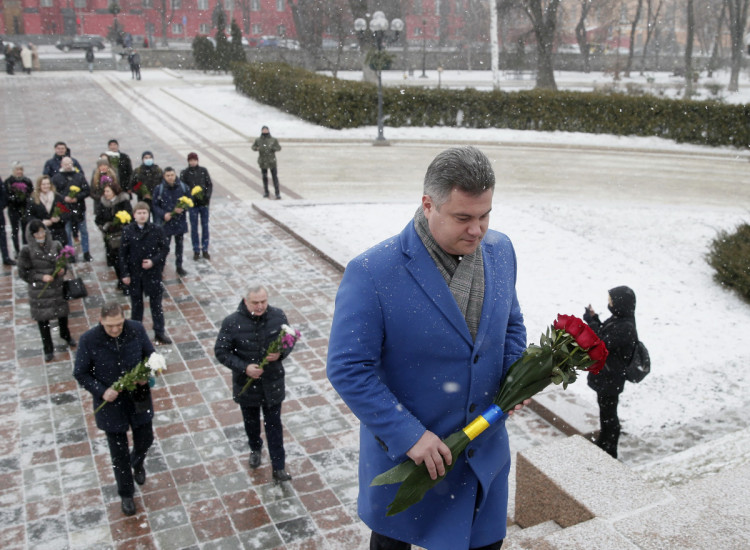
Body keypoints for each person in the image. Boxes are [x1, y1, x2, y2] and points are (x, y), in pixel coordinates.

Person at [326, 146, 528, 550]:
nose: (478, 230)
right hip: (410, 464)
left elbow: (511, 326)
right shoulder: (371, 272)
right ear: (428, 204)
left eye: (485, 215)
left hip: (483, 461)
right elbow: (349, 368)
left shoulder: (501, 251)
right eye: (463, 218)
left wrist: (514, 377)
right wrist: (408, 435)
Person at [73, 301, 155, 517]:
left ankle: (137, 462)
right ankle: (126, 493)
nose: (115, 329)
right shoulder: (88, 340)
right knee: (118, 453)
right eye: (110, 326)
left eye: (119, 324)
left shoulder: (136, 329)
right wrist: (101, 391)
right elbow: (80, 373)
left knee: (146, 438)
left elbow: (151, 356)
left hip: (138, 398)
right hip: (111, 404)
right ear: (101, 321)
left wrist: (145, 374)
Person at [214, 284, 296, 482]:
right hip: (247, 385)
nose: (260, 306)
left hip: (272, 383)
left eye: (263, 302)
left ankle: (278, 467)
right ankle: (255, 448)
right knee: (251, 422)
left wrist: (281, 353)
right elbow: (221, 352)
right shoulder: (232, 322)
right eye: (255, 303)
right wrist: (245, 367)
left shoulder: (278, 316)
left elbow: (289, 340)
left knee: (274, 426)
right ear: (245, 301)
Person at [584, 286, 639, 460]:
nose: (609, 304)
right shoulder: (620, 319)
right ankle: (604, 442)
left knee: (609, 414)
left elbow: (600, 342)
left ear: (620, 304)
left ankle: (610, 450)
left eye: (612, 301)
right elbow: (604, 334)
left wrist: (591, 322)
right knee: (605, 411)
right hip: (607, 376)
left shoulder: (626, 326)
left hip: (611, 378)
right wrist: (594, 319)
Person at [17, 220, 76, 362]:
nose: (41, 235)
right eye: (37, 233)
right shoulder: (27, 250)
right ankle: (48, 348)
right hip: (40, 292)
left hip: (56, 287)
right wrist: (40, 277)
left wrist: (62, 270)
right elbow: (24, 272)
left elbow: (64, 262)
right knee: (43, 321)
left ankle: (65, 334)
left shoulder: (55, 245)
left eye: (42, 231)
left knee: (62, 314)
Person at [119, 202, 171, 345]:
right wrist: (125, 274)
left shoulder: (156, 229)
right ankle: (136, 333)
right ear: (134, 215)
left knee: (156, 305)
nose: (142, 216)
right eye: (139, 213)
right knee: (136, 306)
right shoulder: (128, 231)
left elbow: (164, 249)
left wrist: (153, 261)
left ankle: (159, 332)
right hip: (135, 274)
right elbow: (122, 254)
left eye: (145, 213)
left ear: (148, 215)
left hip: (152, 273)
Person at [95, 180, 132, 294]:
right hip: (110, 237)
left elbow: (129, 216)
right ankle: (120, 280)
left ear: (114, 192)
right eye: (105, 191)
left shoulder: (123, 201)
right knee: (115, 260)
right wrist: (105, 226)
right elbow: (98, 219)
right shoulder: (102, 203)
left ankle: (127, 282)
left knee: (124, 259)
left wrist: (120, 223)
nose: (105, 193)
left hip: (122, 235)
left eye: (108, 191)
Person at [52, 157, 92, 262]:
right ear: (61, 165)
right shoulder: (56, 178)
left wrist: (76, 197)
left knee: (83, 231)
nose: (68, 165)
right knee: (67, 231)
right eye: (65, 164)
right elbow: (54, 193)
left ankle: (86, 252)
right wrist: (64, 198)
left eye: (69, 163)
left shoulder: (79, 176)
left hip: (78, 208)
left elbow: (87, 190)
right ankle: (70, 254)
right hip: (65, 209)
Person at [151, 167, 189, 277]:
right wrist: (164, 214)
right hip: (166, 223)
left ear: (175, 175)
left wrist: (183, 208)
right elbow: (155, 205)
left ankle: (179, 266)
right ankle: (161, 266)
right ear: (164, 176)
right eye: (167, 175)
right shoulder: (159, 189)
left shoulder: (182, 187)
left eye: (172, 175)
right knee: (164, 246)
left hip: (179, 221)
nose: (170, 177)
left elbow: (189, 200)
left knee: (179, 245)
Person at [179, 152, 213, 261]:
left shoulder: (203, 171)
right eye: (191, 160)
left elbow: (209, 184)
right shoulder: (185, 173)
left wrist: (206, 197)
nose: (193, 162)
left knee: (205, 226)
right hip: (193, 205)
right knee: (194, 228)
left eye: (194, 160)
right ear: (188, 161)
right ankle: (196, 250)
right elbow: (183, 188)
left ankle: (205, 248)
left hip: (203, 203)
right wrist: (189, 199)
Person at [26, 174, 69, 247]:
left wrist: (59, 218)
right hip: (41, 234)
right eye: (43, 184)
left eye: (48, 184)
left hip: (58, 232)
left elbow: (67, 212)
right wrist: (40, 223)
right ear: (39, 185)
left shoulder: (57, 197)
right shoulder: (33, 199)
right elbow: (29, 216)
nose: (46, 186)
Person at [4, 161, 33, 258]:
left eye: (21, 169)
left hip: (24, 208)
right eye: (17, 169)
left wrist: (25, 198)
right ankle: (17, 250)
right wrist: (14, 198)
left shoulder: (26, 181)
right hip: (13, 209)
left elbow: (31, 193)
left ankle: (26, 248)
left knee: (25, 229)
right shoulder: (8, 182)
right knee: (15, 230)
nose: (19, 172)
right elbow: (6, 196)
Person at [251, 126, 282, 199]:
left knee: (274, 177)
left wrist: (273, 148)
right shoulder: (259, 140)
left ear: (268, 130)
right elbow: (253, 147)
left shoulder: (273, 140)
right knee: (264, 177)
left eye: (266, 130)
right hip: (263, 161)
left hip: (272, 161)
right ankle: (266, 192)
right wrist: (257, 148)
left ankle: (277, 193)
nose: (265, 131)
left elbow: (279, 148)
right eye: (263, 130)